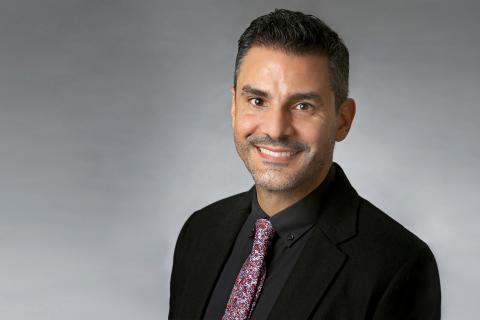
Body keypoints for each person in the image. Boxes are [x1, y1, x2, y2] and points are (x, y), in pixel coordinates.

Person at [169, 9, 441, 320]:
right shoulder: (200, 231)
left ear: (343, 120)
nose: (275, 129)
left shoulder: (397, 266)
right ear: (234, 107)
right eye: (257, 101)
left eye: (302, 106)